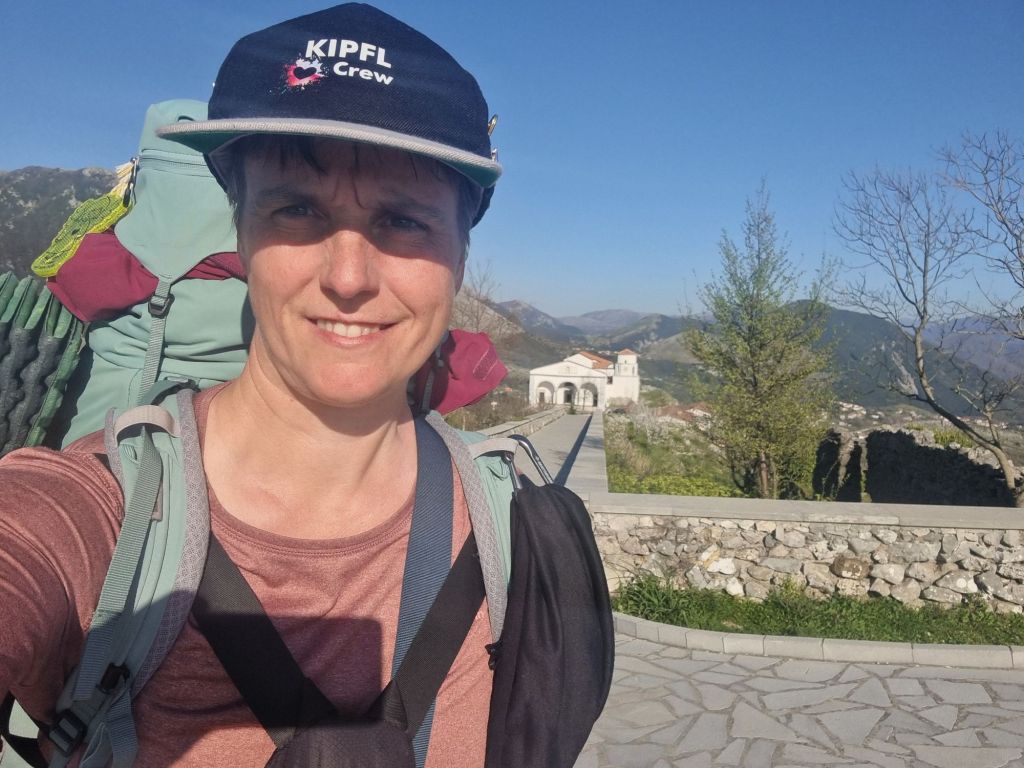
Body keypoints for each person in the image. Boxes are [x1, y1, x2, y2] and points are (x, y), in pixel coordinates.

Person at [0, 4, 521, 766]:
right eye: (297, 209)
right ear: (241, 232)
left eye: (404, 220)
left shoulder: (512, 532)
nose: (348, 278)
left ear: (461, 256)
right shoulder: (108, 511)